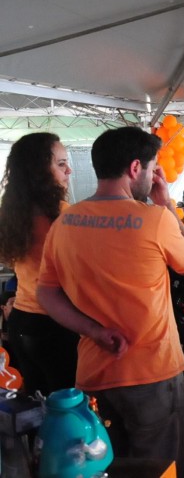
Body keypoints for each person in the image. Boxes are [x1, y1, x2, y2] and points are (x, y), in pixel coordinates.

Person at [36, 126, 184, 477]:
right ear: (135, 167)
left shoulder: (65, 223)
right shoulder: (154, 219)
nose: (154, 177)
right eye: (152, 168)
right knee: (161, 468)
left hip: (93, 375)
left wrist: (95, 331)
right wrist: (166, 204)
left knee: (107, 467)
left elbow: (46, 292)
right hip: (152, 372)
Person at [0, 132, 79, 395]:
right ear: (38, 170)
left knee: (36, 405)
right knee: (67, 408)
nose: (68, 171)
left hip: (21, 321)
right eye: (60, 164)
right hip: (56, 323)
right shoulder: (63, 214)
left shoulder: (10, 214)